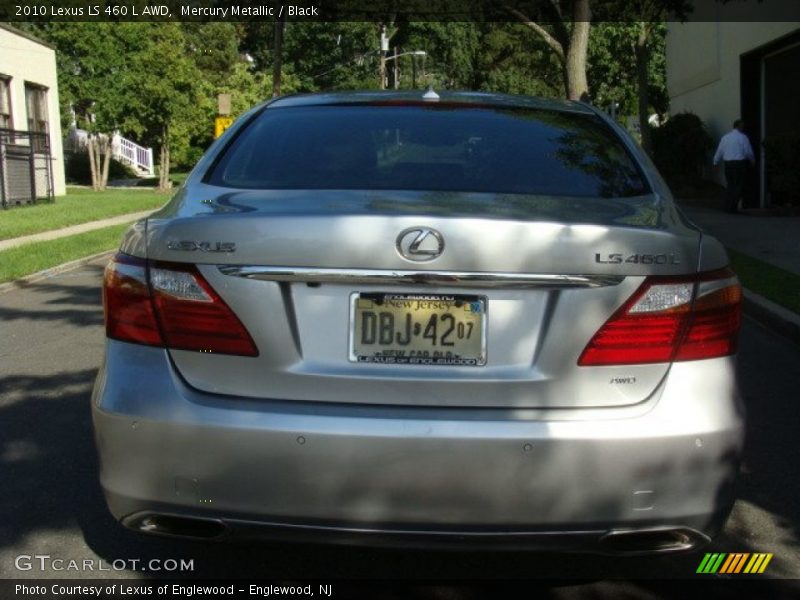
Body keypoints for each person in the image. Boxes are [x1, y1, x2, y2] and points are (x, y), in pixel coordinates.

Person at [713, 119, 755, 213]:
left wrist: (715, 162)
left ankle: (727, 205)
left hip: (728, 163)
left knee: (730, 185)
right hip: (739, 163)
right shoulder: (743, 137)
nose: (743, 128)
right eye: (742, 126)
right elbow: (747, 151)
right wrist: (752, 160)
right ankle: (733, 207)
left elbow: (720, 151)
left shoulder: (725, 137)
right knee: (739, 185)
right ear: (739, 126)